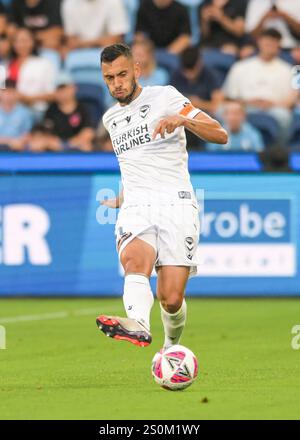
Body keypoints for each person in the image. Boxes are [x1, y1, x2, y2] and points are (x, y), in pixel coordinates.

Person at [96, 44, 227, 349]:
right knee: (134, 261)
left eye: (122, 74)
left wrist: (183, 120)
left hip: (176, 202)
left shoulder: (166, 96)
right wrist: (123, 195)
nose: (117, 82)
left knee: (170, 299)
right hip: (137, 205)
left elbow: (220, 134)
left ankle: (171, 346)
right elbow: (135, 162)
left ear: (137, 71)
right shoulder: (110, 119)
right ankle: (138, 323)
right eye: (109, 77)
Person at [223, 28, 298, 144]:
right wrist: (247, 103)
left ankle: (280, 152)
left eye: (274, 42)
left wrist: (271, 104)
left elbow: (291, 101)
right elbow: (230, 96)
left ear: (279, 45)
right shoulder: (240, 67)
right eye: (267, 41)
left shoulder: (291, 70)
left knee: (285, 116)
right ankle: (229, 147)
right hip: (245, 107)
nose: (270, 45)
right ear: (259, 42)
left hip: (275, 109)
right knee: (223, 111)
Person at [29, 72, 95, 152]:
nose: (62, 92)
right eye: (59, 89)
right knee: (37, 145)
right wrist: (54, 143)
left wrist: (69, 144)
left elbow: (88, 132)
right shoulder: (51, 109)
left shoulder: (83, 108)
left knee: (86, 146)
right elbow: (45, 132)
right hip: (55, 147)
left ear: (73, 88)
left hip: (76, 145)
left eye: (64, 88)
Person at [135, 0, 191, 71]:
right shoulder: (144, 7)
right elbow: (139, 34)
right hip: (150, 50)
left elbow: (185, 38)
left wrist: (168, 53)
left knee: (175, 63)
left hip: (172, 52)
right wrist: (147, 51)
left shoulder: (181, 9)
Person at [62, 0, 129, 51]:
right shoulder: (69, 3)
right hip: (80, 53)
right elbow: (71, 42)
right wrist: (99, 42)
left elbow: (116, 40)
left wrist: (82, 43)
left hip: (110, 52)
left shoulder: (114, 2)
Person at [0, 79, 34, 151]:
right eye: (5, 91)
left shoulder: (25, 112)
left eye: (11, 91)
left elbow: (28, 134)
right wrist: (9, 142)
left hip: (17, 149)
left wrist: (20, 141)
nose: (8, 95)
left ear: (17, 93)